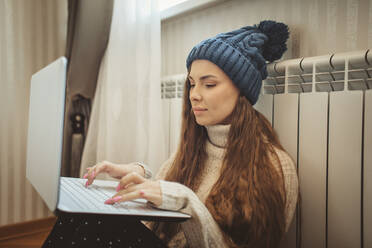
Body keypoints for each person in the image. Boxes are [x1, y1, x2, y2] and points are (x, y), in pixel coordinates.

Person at [43, 20, 298, 248]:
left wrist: (187, 203)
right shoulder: (196, 147)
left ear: (242, 92)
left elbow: (183, 200)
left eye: (209, 84)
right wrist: (140, 176)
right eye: (192, 83)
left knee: (92, 224)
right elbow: (168, 203)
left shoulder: (276, 167)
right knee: (82, 214)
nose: (194, 94)